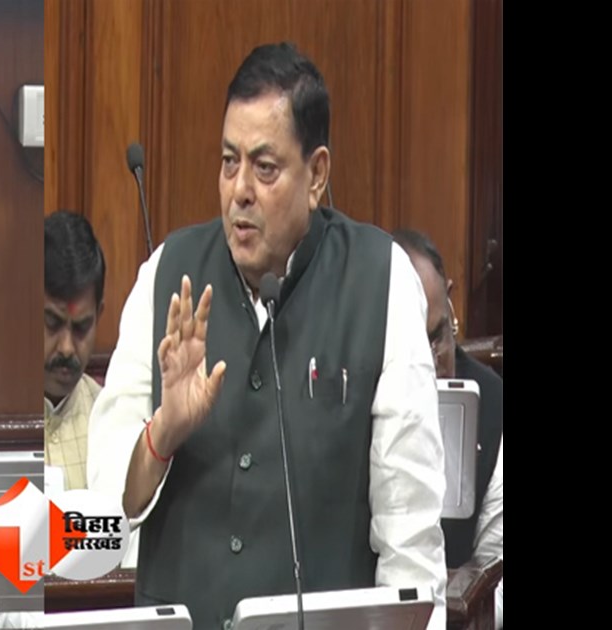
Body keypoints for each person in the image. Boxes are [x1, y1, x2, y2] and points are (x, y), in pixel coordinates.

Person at [86, 42, 448, 629]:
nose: (240, 191)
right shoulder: (165, 276)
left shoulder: (381, 283)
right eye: (229, 162)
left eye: (265, 168)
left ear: (317, 174)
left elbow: (410, 546)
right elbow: (102, 520)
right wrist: (163, 433)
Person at [394, 229, 503, 628]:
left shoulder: (493, 403)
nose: (429, 363)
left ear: (450, 300)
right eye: (409, 346)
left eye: (436, 337)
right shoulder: (344, 398)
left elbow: (497, 565)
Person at [43, 210, 106, 492]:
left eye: (81, 327)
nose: (67, 348)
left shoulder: (110, 420)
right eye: (52, 323)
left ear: (98, 316)